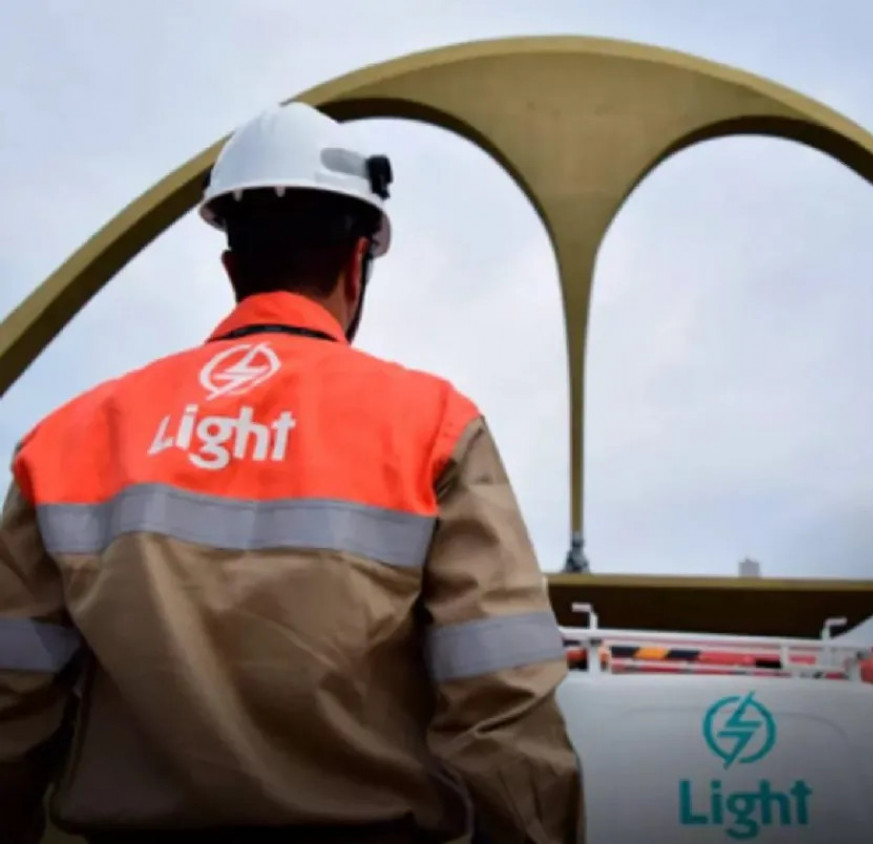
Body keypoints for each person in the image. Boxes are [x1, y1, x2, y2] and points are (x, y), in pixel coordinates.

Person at [0, 103, 585, 844]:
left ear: (232, 267)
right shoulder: (433, 427)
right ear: (357, 261)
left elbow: (10, 703)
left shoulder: (67, 438)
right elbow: (502, 703)